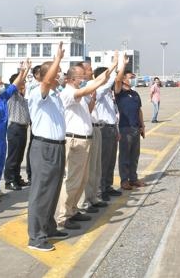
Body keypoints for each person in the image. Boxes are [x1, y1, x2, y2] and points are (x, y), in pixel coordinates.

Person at [54, 60, 112, 231]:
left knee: (82, 179)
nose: (84, 79)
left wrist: (113, 67)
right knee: (72, 180)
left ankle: (73, 210)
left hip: (84, 140)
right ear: (72, 79)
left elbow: (95, 83)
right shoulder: (68, 93)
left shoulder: (79, 93)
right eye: (80, 77)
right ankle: (64, 216)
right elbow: (90, 86)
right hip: (75, 140)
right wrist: (99, 81)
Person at [26, 42, 69, 251]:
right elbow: (46, 81)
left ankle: (49, 227)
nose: (60, 76)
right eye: (57, 72)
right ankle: (36, 237)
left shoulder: (55, 95)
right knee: (41, 192)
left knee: (53, 190)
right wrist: (57, 59)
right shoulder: (38, 92)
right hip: (44, 147)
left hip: (58, 146)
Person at [0, 62, 29, 200]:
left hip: (1, 136)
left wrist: (23, 71)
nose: (2, 85)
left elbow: (15, 85)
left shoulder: (2, 97)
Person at [79, 58, 117, 211]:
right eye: (89, 69)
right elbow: (105, 81)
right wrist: (114, 66)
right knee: (87, 170)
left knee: (96, 168)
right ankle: (84, 201)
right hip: (86, 131)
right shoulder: (87, 86)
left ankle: (93, 197)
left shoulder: (91, 87)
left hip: (96, 128)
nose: (91, 71)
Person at [92, 60, 122, 204]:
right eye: (107, 76)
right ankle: (100, 190)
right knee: (103, 162)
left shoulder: (109, 93)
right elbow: (109, 83)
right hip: (103, 129)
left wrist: (117, 129)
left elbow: (113, 113)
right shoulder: (98, 91)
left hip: (111, 128)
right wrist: (114, 67)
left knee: (110, 160)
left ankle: (108, 186)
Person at [115, 55, 146, 191]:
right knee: (125, 156)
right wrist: (123, 64)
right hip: (124, 128)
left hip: (135, 128)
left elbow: (139, 110)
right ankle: (124, 180)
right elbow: (117, 80)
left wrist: (142, 126)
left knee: (134, 155)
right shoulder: (118, 92)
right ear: (123, 79)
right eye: (130, 77)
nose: (132, 79)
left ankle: (133, 179)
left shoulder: (135, 94)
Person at [4, 69, 31, 190]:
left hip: (23, 128)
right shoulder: (12, 95)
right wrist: (24, 71)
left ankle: (16, 178)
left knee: (19, 156)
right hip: (15, 127)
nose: (24, 84)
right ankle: (9, 180)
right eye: (22, 82)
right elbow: (16, 84)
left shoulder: (22, 96)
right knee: (13, 156)